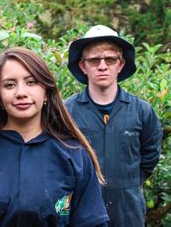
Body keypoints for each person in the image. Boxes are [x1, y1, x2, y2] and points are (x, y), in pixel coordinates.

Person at [0, 47, 109, 226]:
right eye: (9, 85)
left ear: (47, 93)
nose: (21, 92)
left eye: (31, 82)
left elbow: (91, 222)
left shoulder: (75, 156)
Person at [65, 25, 163, 226]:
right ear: (83, 66)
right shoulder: (67, 112)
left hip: (128, 213)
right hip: (81, 213)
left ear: (121, 64)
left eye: (110, 59)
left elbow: (150, 157)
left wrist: (126, 183)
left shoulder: (142, 111)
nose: (102, 66)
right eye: (94, 60)